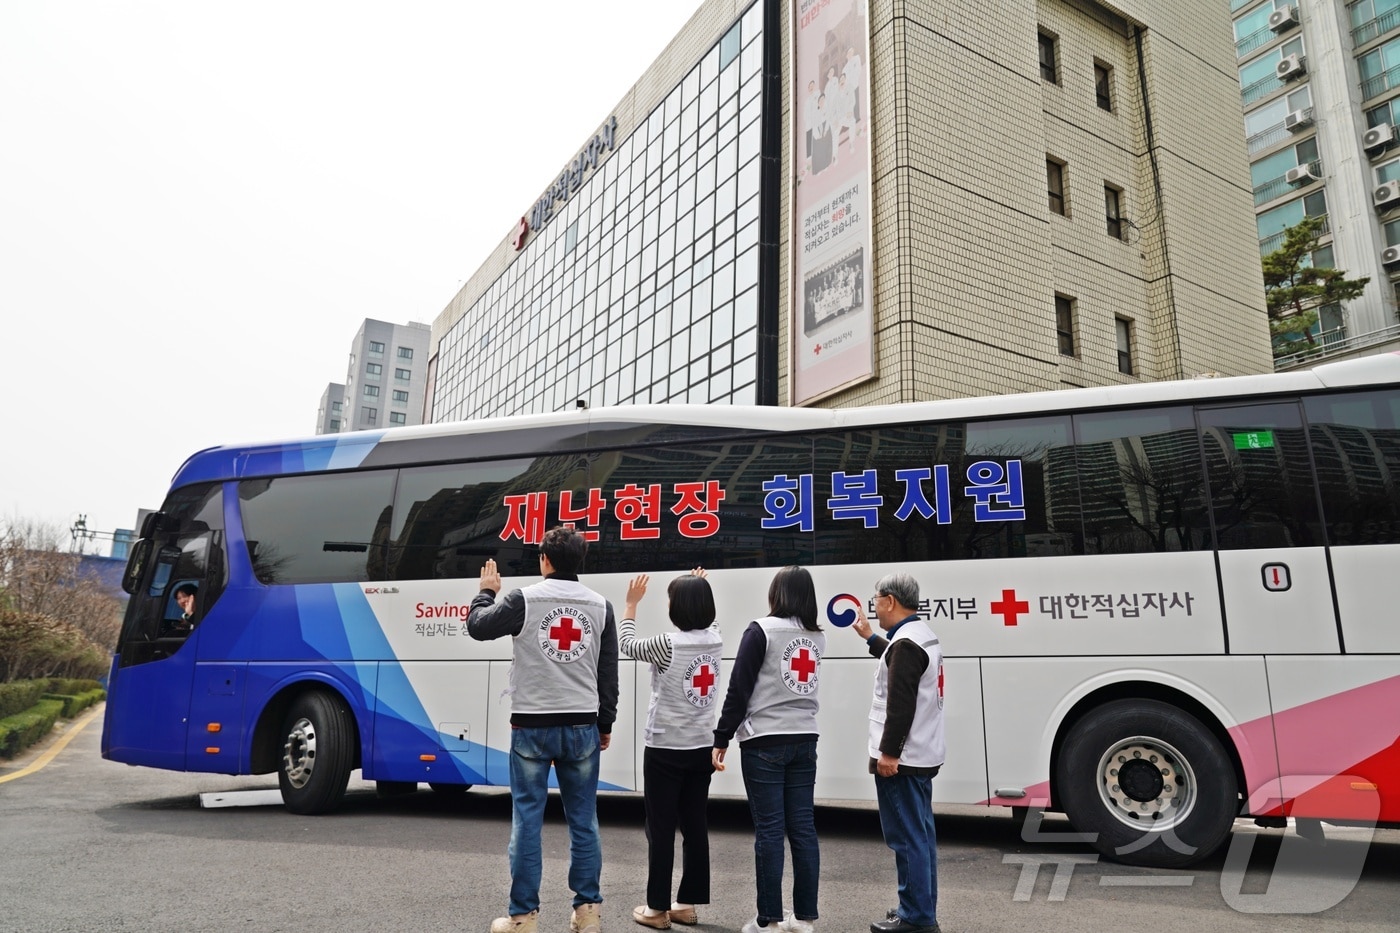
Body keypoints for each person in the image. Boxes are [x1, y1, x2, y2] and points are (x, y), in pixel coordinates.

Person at [467, 526, 619, 933]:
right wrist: (605, 724)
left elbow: (479, 627)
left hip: (532, 728)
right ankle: (588, 912)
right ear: (580, 561)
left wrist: (486, 591)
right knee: (584, 821)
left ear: (544, 559)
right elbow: (609, 675)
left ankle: (522, 918)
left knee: (527, 821)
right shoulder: (601, 606)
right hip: (582, 726)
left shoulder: (523, 599)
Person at [712, 566, 824, 933]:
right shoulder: (816, 637)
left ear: (777, 594)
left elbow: (739, 688)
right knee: (804, 829)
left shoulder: (761, 630)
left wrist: (722, 737)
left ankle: (769, 921)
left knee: (771, 831)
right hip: (806, 740)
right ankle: (804, 919)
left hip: (765, 742)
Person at [620, 569, 722, 930]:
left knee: (660, 828)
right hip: (701, 747)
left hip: (665, 747)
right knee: (695, 824)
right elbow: (712, 620)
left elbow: (627, 644)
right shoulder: (716, 639)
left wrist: (631, 606)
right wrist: (699, 585)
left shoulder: (667, 644)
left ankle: (657, 908)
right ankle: (686, 903)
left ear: (677, 607)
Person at [849, 573, 945, 933]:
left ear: (890, 600)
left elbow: (900, 705)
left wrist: (888, 754)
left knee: (906, 839)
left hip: (903, 760)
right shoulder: (918, 636)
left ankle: (916, 918)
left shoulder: (905, 645)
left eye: (875, 599)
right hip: (922, 754)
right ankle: (919, 907)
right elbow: (900, 666)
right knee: (920, 836)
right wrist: (870, 638)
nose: (873, 606)